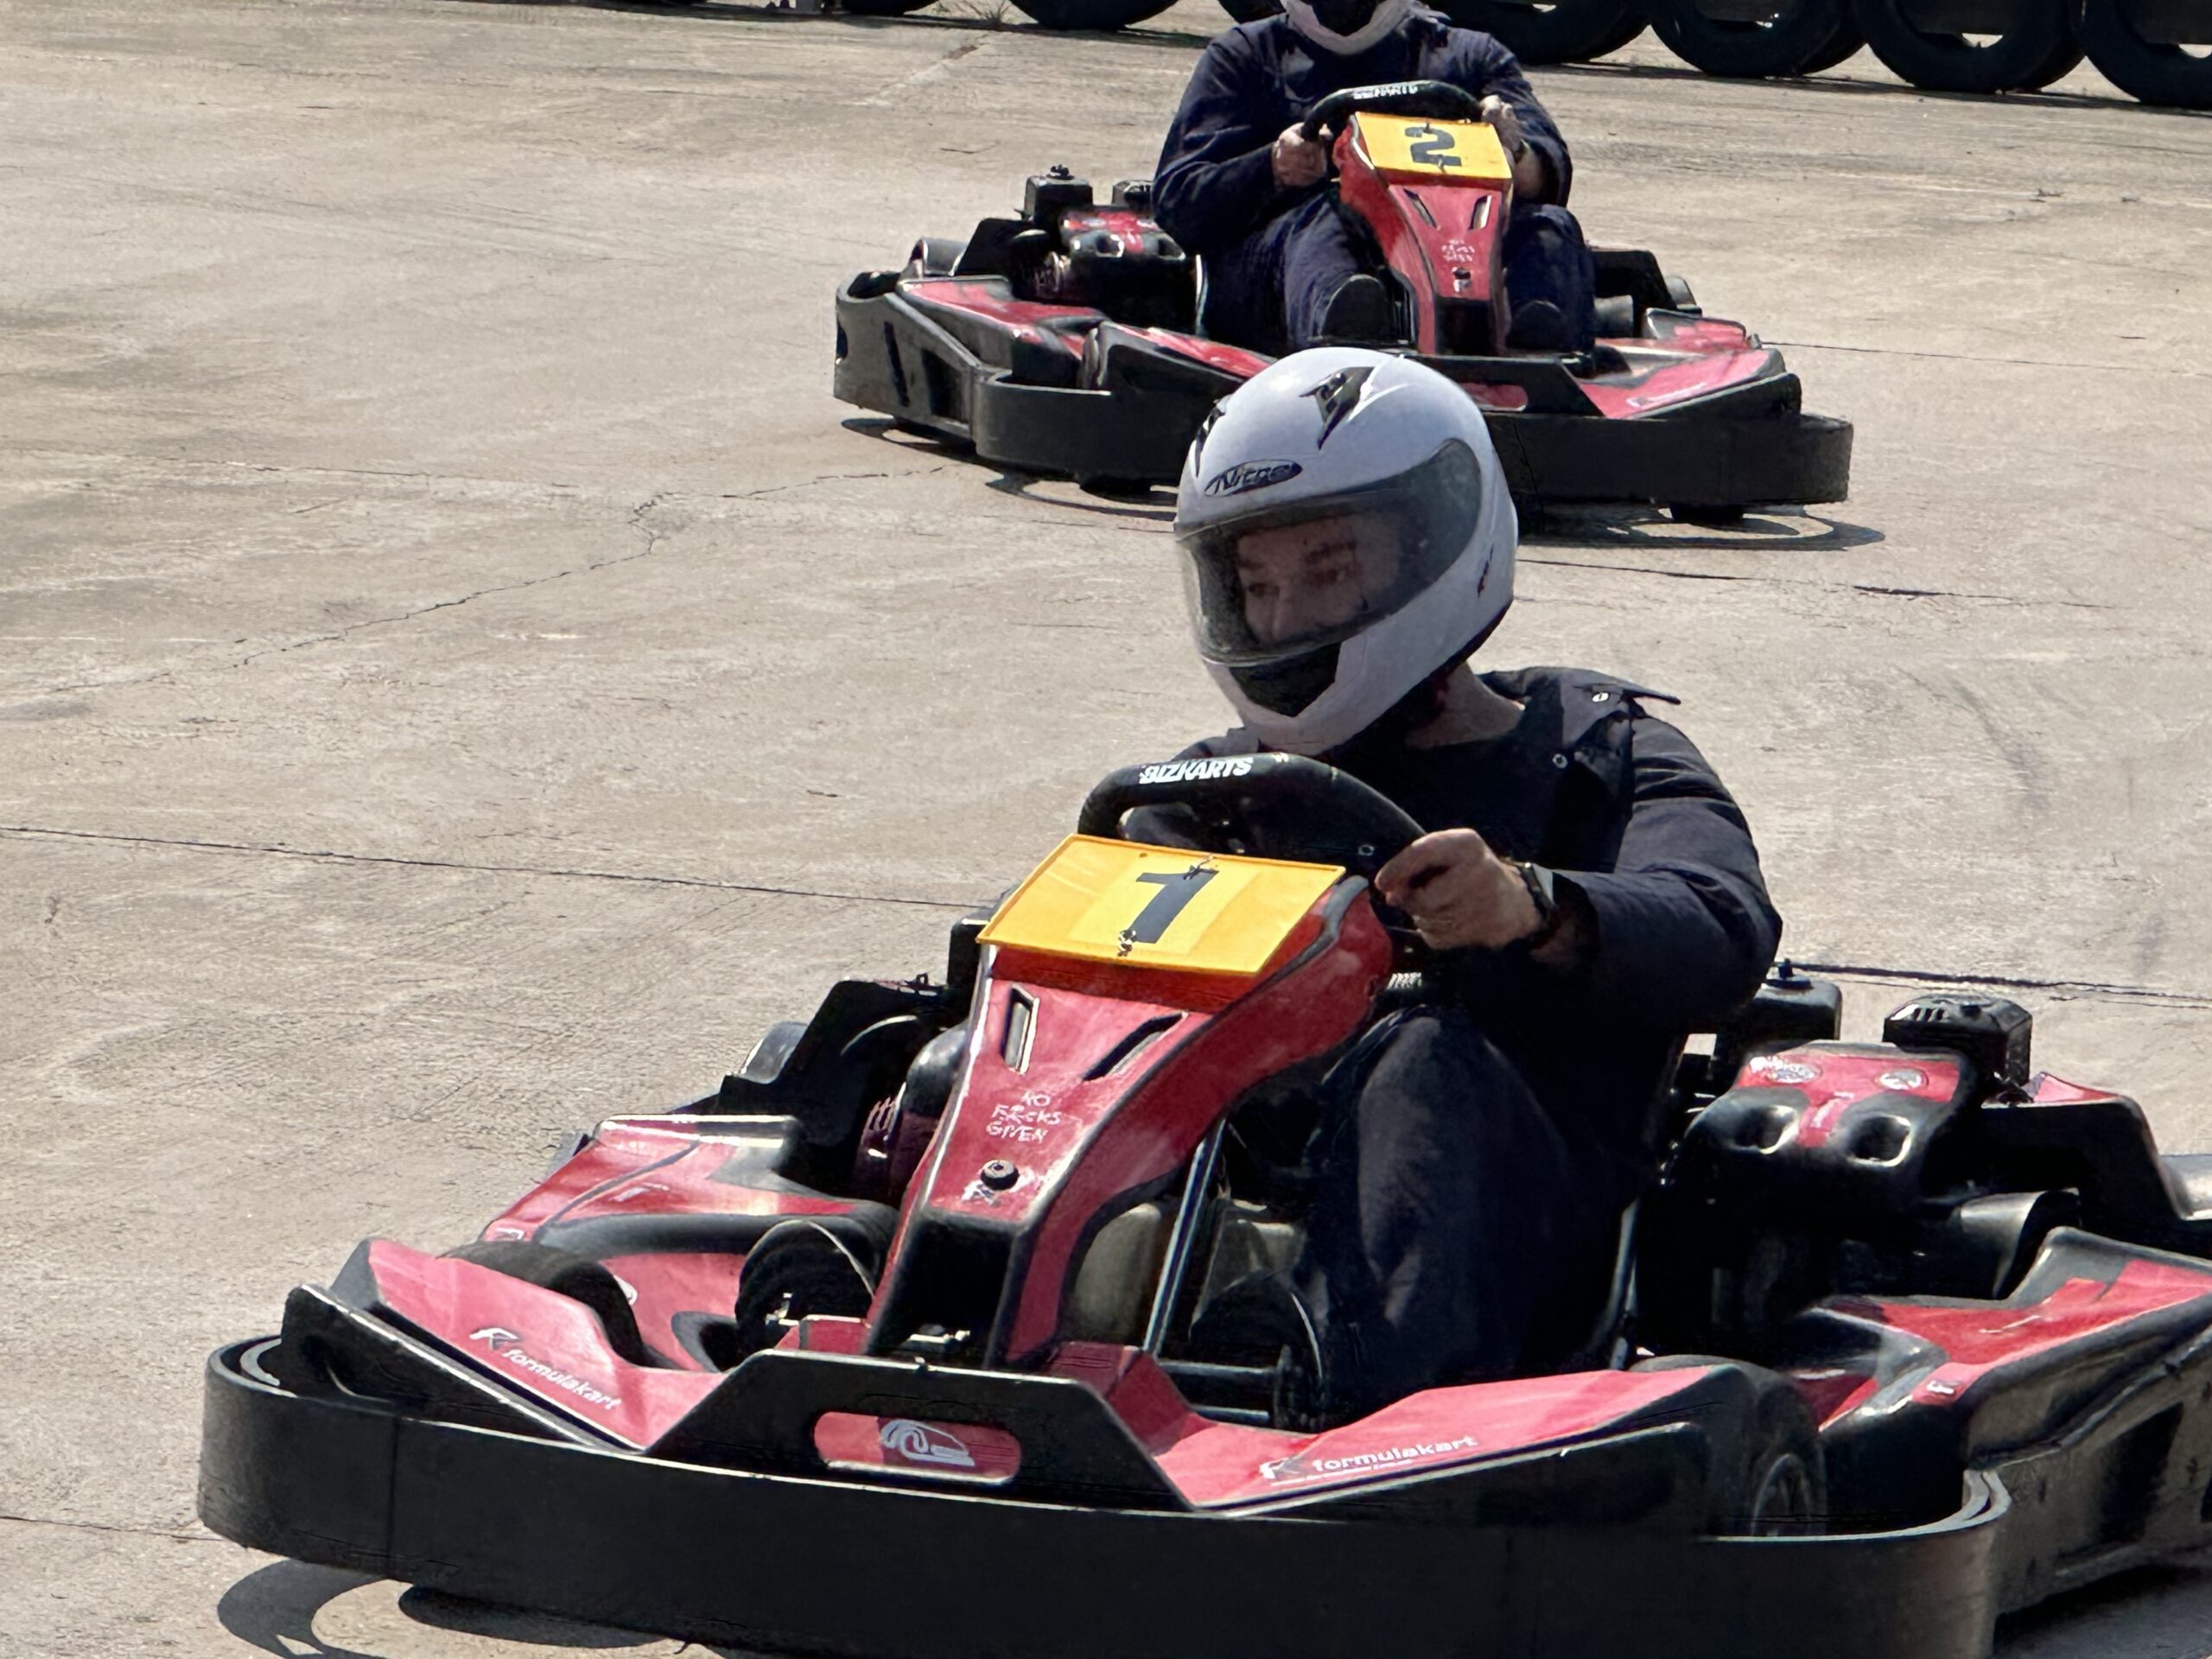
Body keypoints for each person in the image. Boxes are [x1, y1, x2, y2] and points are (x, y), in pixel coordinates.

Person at [1147, 347, 1781, 1423]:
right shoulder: (1212, 793)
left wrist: (1536, 908)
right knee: (959, 1047)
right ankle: (913, 1332)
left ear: (1436, 545)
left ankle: (1374, 1429)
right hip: (1242, 1186)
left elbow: (1722, 926)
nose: (1286, 614)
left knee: (1421, 1056)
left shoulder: (1592, 754)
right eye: (1257, 586)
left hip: (1522, 1212)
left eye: (1328, 568)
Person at [1152, 0, 1597, 356]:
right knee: (1325, 221)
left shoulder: (1468, 56)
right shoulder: (1247, 56)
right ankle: (1347, 341)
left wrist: (1514, 151)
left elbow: (1551, 174)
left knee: (1549, 228)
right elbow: (1179, 200)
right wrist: (1273, 168)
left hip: (1457, 252)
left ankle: (1538, 354)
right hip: (1290, 283)